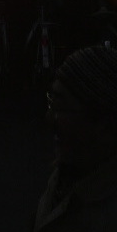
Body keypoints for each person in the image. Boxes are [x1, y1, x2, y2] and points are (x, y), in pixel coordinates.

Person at [34, 45, 117, 230]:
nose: (49, 118)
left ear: (105, 127)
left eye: (61, 107)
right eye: (51, 101)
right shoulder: (68, 174)